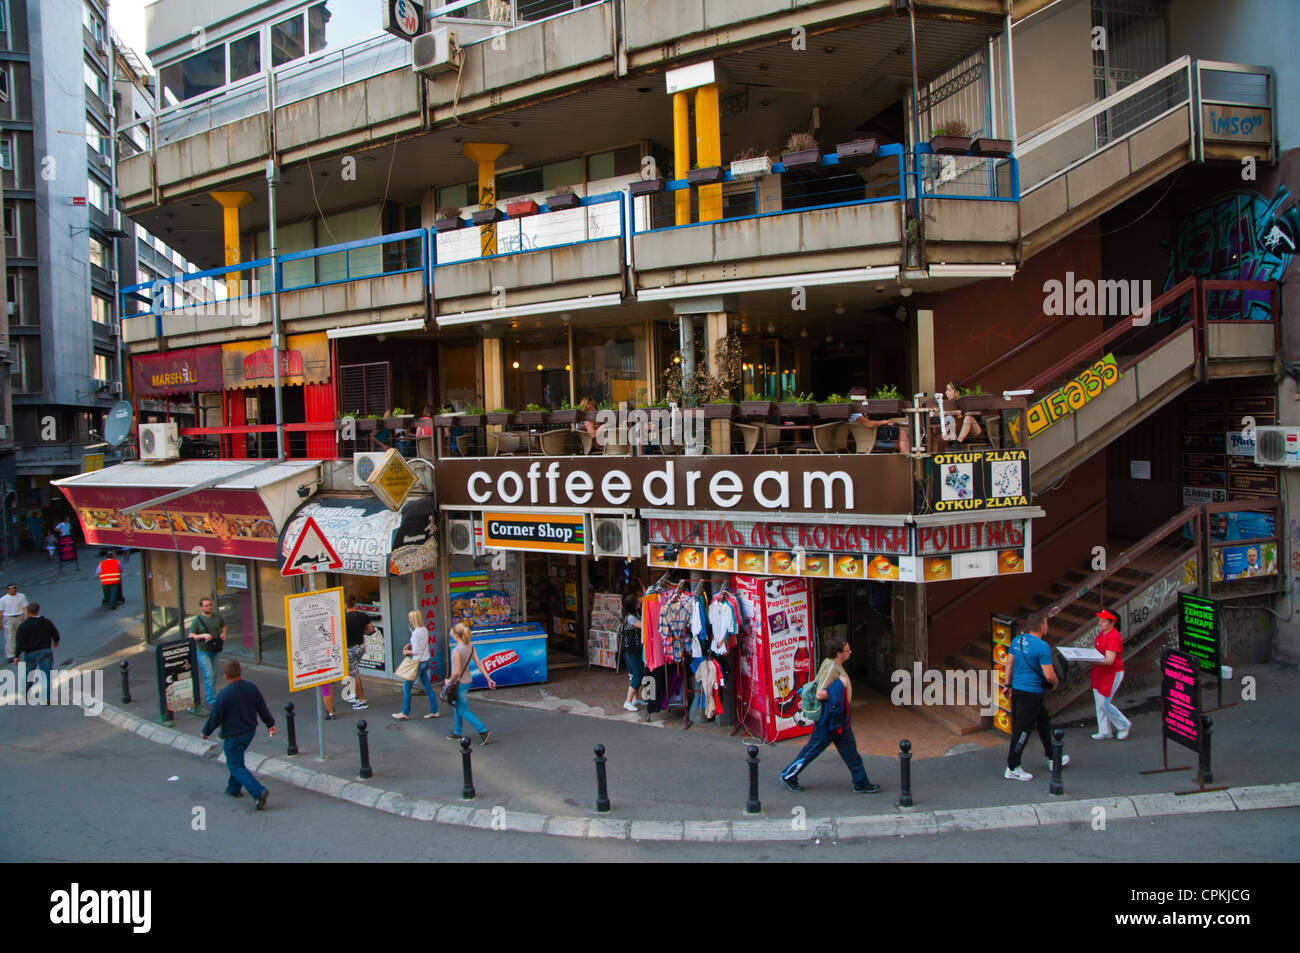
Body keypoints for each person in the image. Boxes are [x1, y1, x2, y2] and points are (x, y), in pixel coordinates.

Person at [780, 639, 880, 793]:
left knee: (850, 750)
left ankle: (861, 782)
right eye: (847, 650)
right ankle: (788, 775)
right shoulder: (832, 667)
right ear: (839, 654)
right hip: (830, 718)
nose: (850, 652)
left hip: (838, 717)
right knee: (812, 749)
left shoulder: (832, 663)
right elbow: (820, 693)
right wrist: (841, 684)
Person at [201, 660, 276, 810]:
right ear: (240, 672)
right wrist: (270, 724)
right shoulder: (251, 688)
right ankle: (233, 789)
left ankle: (258, 791)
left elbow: (215, 716)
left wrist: (206, 732)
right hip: (249, 732)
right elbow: (262, 708)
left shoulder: (225, 694)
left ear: (226, 676)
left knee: (234, 764)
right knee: (237, 760)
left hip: (233, 734)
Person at [1004, 612, 1068, 780]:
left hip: (1018, 689)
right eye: (1046, 623)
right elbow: (1048, 674)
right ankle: (1012, 766)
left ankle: (1053, 758)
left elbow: (1009, 663)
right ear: (1041, 626)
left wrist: (1008, 685)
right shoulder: (1042, 647)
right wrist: (1055, 682)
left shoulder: (1016, 641)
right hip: (1032, 693)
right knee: (1023, 731)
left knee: (1044, 722)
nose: (1047, 626)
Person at [444, 622, 494, 745]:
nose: (452, 637)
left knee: (463, 710)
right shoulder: (470, 646)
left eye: (452, 635)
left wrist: (448, 681)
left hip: (459, 683)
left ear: (456, 635)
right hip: (468, 680)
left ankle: (483, 731)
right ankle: (457, 732)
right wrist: (488, 678)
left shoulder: (456, 650)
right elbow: (478, 663)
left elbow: (456, 672)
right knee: (457, 706)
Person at [1088, 609, 1131, 741]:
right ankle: (1105, 731)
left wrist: (1090, 658)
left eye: (1103, 621)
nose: (1099, 623)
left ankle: (1124, 724)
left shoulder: (1113, 636)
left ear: (1112, 623)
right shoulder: (1103, 633)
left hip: (1111, 673)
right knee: (1099, 703)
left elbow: (1109, 660)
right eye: (1100, 620)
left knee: (1104, 703)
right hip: (1100, 672)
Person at [394, 610, 440, 721]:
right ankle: (434, 711)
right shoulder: (424, 629)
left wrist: (406, 652)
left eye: (410, 618)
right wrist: (411, 644)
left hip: (417, 663)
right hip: (426, 661)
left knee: (406, 687)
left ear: (413, 619)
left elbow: (415, 651)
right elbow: (421, 644)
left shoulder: (415, 633)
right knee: (428, 687)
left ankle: (405, 712)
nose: (409, 619)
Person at [14, 603, 59, 702]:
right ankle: (47, 697)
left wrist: (16, 656)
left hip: (30, 653)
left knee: (29, 673)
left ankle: (26, 692)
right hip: (45, 651)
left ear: (27, 612)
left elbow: (19, 642)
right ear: (37, 611)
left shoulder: (23, 626)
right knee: (46, 674)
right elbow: (55, 633)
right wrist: (55, 642)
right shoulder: (46, 622)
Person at [846, 386, 911, 454]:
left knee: (902, 436)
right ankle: (907, 456)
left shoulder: (857, 411)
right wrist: (883, 422)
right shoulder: (854, 414)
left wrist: (885, 423)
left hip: (871, 436)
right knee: (901, 434)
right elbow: (869, 424)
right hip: (869, 440)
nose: (866, 399)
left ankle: (906, 455)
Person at [188, 597, 226, 710]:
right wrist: (203, 635)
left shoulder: (217, 617)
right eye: (206, 605)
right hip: (203, 651)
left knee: (214, 674)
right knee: (209, 674)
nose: (209, 607)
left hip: (215, 649)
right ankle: (210, 699)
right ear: (201, 607)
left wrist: (224, 634)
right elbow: (191, 636)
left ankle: (212, 694)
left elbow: (223, 626)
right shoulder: (197, 620)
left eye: (210, 605)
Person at [343, 595, 372, 710]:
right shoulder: (362, 615)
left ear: (345, 604)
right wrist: (362, 632)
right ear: (355, 604)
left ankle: (361, 700)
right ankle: (353, 695)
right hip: (361, 646)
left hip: (350, 648)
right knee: (351, 671)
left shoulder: (344, 618)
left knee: (354, 674)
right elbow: (371, 629)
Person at [621, 591, 644, 713]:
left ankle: (635, 699)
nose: (639, 602)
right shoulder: (631, 618)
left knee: (634, 673)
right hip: (632, 650)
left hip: (632, 650)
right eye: (637, 602)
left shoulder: (633, 614)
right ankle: (628, 701)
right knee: (638, 674)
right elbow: (643, 626)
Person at [939, 380, 983, 445]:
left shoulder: (966, 402)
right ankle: (932, 453)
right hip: (958, 433)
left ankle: (957, 443)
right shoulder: (948, 404)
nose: (946, 393)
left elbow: (970, 413)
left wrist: (952, 412)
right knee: (936, 437)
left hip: (975, 431)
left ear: (957, 393)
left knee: (968, 418)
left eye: (949, 390)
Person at [1, 582, 28, 661]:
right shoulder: (3, 599)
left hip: (19, 616)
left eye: (15, 588)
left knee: (21, 635)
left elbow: (25, 607)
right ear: (8, 589)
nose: (14, 590)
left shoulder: (21, 596)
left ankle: (24, 650)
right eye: (12, 588)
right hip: (8, 618)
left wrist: (26, 616)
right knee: (9, 637)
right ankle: (10, 655)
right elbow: (1, 612)